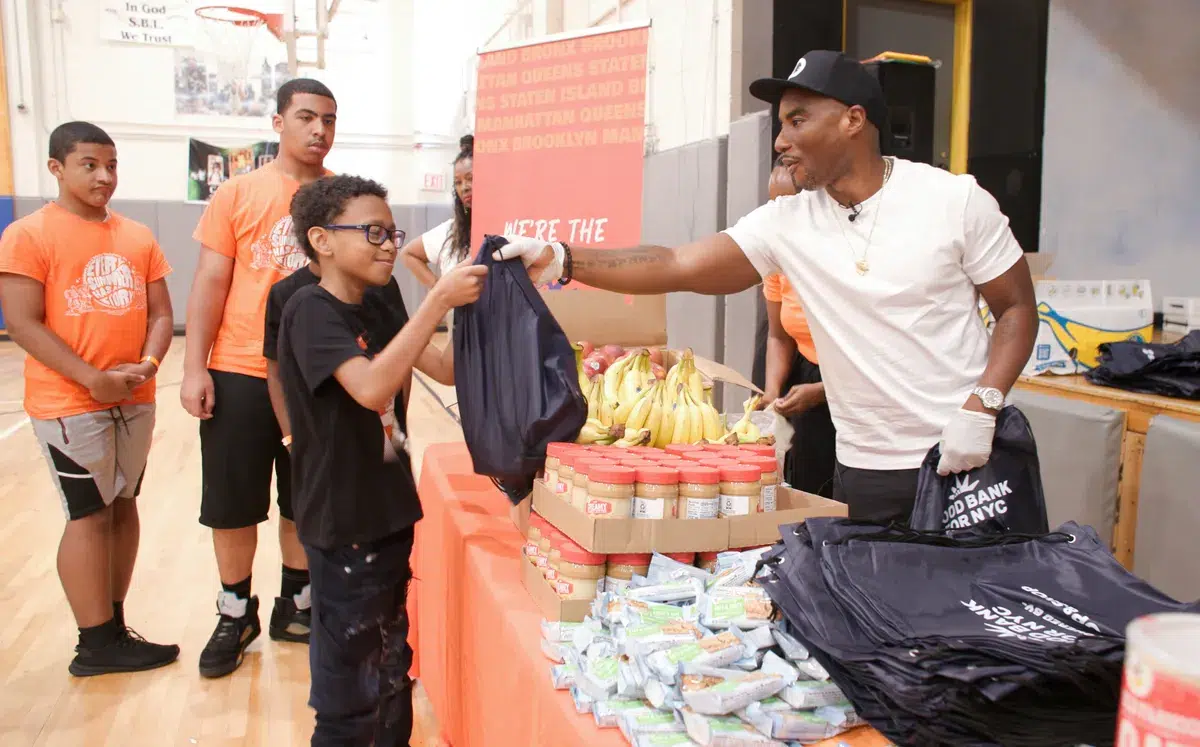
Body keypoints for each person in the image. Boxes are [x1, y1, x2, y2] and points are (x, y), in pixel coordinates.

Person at [496, 50, 1038, 524]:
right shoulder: (787, 222)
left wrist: (983, 406)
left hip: (962, 457)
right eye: (781, 124)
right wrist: (562, 257)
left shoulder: (953, 200)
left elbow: (1016, 309)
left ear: (853, 119)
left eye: (798, 120)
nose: (781, 140)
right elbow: (677, 263)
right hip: (864, 469)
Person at [278, 175, 486, 745]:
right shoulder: (309, 309)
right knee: (352, 689)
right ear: (321, 241)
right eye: (372, 233)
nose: (390, 244)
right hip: (344, 521)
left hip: (389, 509)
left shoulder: (379, 301)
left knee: (392, 668)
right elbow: (370, 387)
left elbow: (440, 367)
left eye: (392, 232)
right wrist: (438, 298)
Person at [0, 121, 179, 675]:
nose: (105, 176)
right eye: (89, 165)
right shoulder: (28, 235)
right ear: (56, 168)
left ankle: (113, 626)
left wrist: (147, 365)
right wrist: (90, 377)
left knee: (123, 505)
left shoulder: (137, 236)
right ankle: (94, 643)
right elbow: (23, 323)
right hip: (68, 401)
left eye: (112, 164)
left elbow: (163, 315)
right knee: (87, 515)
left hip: (135, 396)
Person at [181, 78, 337, 678]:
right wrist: (195, 366)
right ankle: (233, 611)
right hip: (240, 369)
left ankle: (295, 604)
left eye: (328, 118)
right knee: (233, 504)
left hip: (316, 376)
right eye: (305, 117)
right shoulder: (239, 193)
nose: (318, 129)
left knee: (304, 498)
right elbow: (210, 282)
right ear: (278, 123)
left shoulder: (343, 198)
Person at [759, 159, 837, 498]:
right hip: (809, 377)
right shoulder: (777, 260)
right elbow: (778, 335)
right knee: (808, 487)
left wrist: (825, 391)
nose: (778, 217)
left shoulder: (848, 262)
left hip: (864, 388)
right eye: (772, 205)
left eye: (788, 206)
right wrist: (772, 390)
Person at [399, 134, 474, 290]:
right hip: (457, 313)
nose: (464, 187)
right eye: (458, 182)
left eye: (470, 178)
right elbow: (408, 254)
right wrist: (439, 291)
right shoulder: (451, 231)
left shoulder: (506, 226)